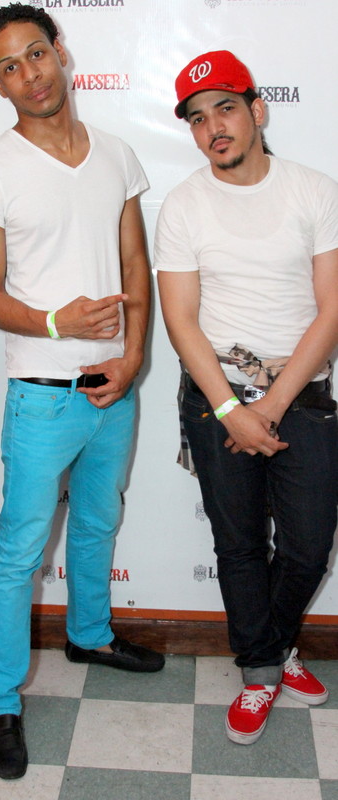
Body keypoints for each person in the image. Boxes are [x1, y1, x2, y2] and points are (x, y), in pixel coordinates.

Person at [0, 2, 164, 780]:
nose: (30, 74)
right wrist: (54, 321)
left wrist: (134, 355)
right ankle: (1, 704)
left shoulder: (116, 153)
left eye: (37, 53)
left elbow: (135, 263)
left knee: (99, 521)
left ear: (61, 52)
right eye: (9, 66)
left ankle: (90, 635)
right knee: (19, 551)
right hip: (42, 395)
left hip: (115, 386)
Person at [155, 50, 338, 745]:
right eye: (198, 119)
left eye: (226, 108)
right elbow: (180, 321)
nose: (214, 128)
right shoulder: (183, 205)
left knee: (308, 546)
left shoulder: (314, 191)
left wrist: (272, 406)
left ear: (258, 110)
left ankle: (275, 643)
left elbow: (332, 310)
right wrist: (233, 410)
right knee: (237, 545)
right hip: (215, 396)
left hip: (302, 392)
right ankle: (261, 669)